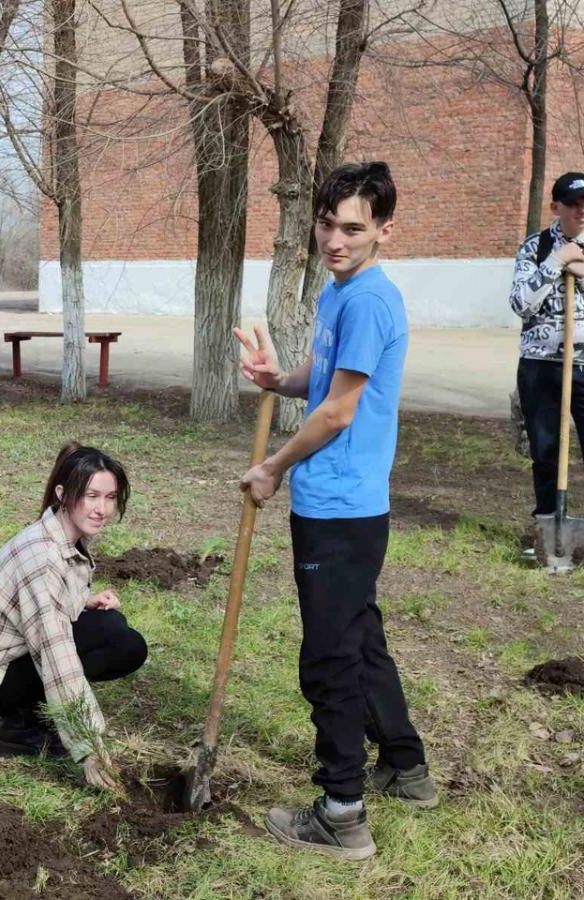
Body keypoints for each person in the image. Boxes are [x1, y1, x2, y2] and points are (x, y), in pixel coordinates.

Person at [237, 162, 435, 861]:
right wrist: (277, 378)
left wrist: (273, 468)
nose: (336, 239)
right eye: (328, 224)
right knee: (360, 636)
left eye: (353, 228)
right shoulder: (341, 291)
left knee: (330, 659)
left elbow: (341, 411)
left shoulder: (370, 301)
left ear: (385, 230)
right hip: (348, 505)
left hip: (339, 508)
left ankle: (341, 813)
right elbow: (325, 383)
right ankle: (405, 767)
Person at [0, 443, 147, 790]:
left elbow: (48, 603)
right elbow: (56, 658)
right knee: (113, 637)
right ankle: (21, 728)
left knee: (120, 636)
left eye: (110, 497)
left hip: (1, 658)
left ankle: (29, 713)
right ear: (63, 494)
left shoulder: (61, 534)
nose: (102, 509)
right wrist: (89, 748)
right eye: (92, 496)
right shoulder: (41, 557)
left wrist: (84, 600)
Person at [509, 171, 584, 536]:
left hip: (583, 364)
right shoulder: (534, 247)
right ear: (556, 207)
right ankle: (549, 528)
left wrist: (578, 268)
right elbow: (521, 304)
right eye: (574, 205)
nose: (581, 212)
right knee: (546, 451)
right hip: (540, 364)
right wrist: (557, 262)